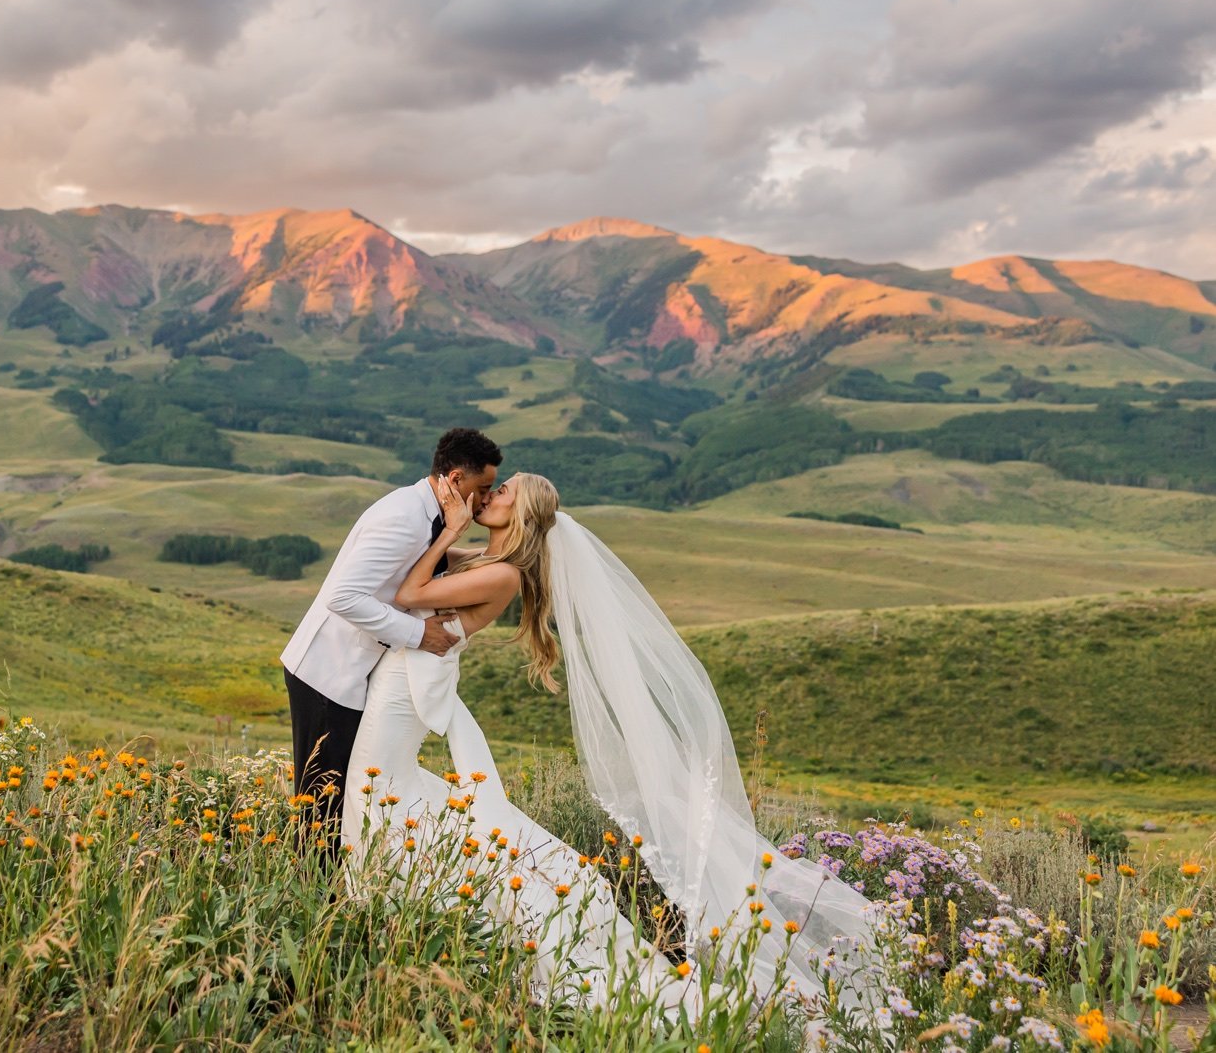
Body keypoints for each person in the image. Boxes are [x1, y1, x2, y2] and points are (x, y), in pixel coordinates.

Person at [341, 472, 878, 1009]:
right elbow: (419, 572)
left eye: (504, 492)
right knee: (384, 786)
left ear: (523, 512)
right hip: (402, 678)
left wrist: (447, 530)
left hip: (404, 690)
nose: (492, 495)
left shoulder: (503, 574)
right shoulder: (486, 558)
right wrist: (443, 534)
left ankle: (409, 898)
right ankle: (403, 896)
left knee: (375, 783)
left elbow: (411, 592)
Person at [280, 428, 501, 840]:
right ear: (455, 479)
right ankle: (311, 892)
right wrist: (418, 634)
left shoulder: (423, 510)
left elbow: (418, 559)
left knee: (339, 799)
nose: (487, 498)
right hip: (329, 673)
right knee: (321, 804)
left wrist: (490, 556)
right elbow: (344, 597)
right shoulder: (404, 517)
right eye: (483, 487)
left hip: (349, 671)